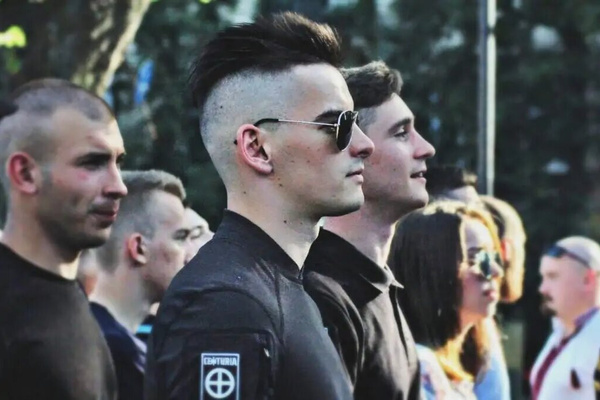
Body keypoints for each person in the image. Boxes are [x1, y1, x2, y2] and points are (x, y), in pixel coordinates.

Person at [144, 12, 374, 400]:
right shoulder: (225, 305)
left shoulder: (273, 288)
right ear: (257, 148)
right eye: (338, 126)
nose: (364, 144)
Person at [303, 61, 434, 400]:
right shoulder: (320, 295)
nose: (425, 148)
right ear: (354, 149)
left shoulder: (378, 285)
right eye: (401, 133)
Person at [0, 79, 127, 399]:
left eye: (118, 162)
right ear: (25, 174)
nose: (118, 186)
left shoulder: (68, 295)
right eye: (93, 162)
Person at [89, 169, 189, 400]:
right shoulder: (113, 352)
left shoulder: (94, 335)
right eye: (180, 237)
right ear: (139, 248)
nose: (189, 254)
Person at [389, 201, 503, 399]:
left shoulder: (468, 363)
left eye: (493, 257)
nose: (495, 271)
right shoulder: (419, 370)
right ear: (431, 270)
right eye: (476, 258)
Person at [530, 236, 600, 400]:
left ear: (588, 280)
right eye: (543, 277)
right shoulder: (560, 334)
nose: (542, 289)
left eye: (553, 276)